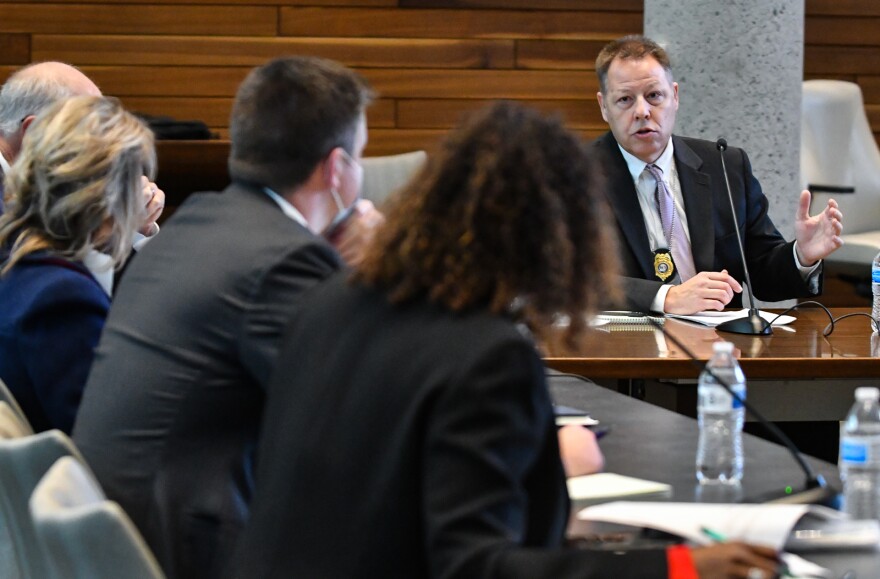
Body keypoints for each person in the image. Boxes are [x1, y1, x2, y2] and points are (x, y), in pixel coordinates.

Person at [229, 102, 782, 579]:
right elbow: (476, 567)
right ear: (557, 235)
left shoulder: (330, 304)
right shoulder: (486, 355)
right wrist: (678, 567)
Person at [72, 56, 383, 579]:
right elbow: (369, 419)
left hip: (122, 545)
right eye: (360, 159)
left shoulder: (196, 222)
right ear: (335, 169)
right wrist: (379, 276)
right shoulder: (282, 261)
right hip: (189, 554)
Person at [593, 35, 843, 315]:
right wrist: (667, 298)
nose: (642, 111)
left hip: (720, 344)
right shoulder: (574, 177)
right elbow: (572, 279)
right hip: (627, 347)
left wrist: (801, 255)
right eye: (625, 99)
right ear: (604, 106)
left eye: (654, 96)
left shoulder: (725, 165)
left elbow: (761, 272)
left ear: (674, 96)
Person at [0, 95, 155, 433]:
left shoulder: (24, 271)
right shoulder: (62, 297)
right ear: (108, 196)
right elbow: (107, 437)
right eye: (135, 179)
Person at [0, 61, 164, 231]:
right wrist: (110, 227)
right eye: (89, 133)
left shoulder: (42, 184)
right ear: (34, 133)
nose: (99, 150)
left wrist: (132, 224)